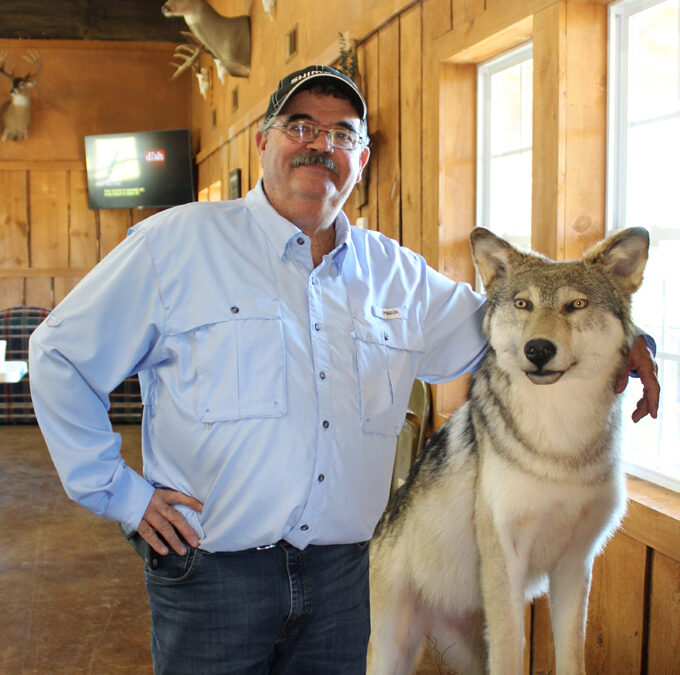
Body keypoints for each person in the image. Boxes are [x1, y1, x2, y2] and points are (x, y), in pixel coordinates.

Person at [28, 65, 659, 674]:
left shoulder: (396, 273)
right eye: (300, 126)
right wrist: (121, 493)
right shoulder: (177, 244)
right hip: (213, 577)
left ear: (362, 159)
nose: (320, 145)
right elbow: (58, 355)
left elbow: (516, 330)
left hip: (345, 582)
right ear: (262, 142)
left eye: (342, 134)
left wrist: (628, 340)